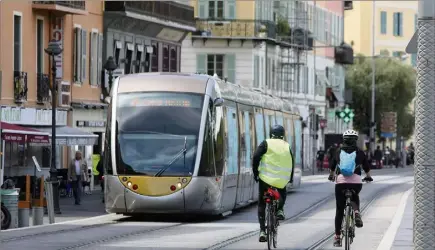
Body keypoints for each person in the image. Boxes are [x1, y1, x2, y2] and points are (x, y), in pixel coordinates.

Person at [328, 129, 373, 247]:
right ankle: (357, 212)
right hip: (356, 182)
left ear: (344, 139)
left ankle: (337, 237)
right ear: (355, 140)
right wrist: (368, 177)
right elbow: (366, 167)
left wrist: (332, 175)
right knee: (354, 195)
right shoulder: (360, 152)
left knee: (339, 210)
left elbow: (332, 166)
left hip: (341, 182)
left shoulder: (338, 152)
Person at [253, 125, 294, 242]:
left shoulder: (266, 143)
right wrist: (289, 178)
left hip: (265, 179)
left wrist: (255, 172)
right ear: (283, 135)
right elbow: (291, 161)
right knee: (282, 192)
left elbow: (256, 156)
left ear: (271, 133)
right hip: (281, 180)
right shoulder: (287, 146)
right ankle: (280, 209)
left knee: (262, 203)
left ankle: (262, 231)